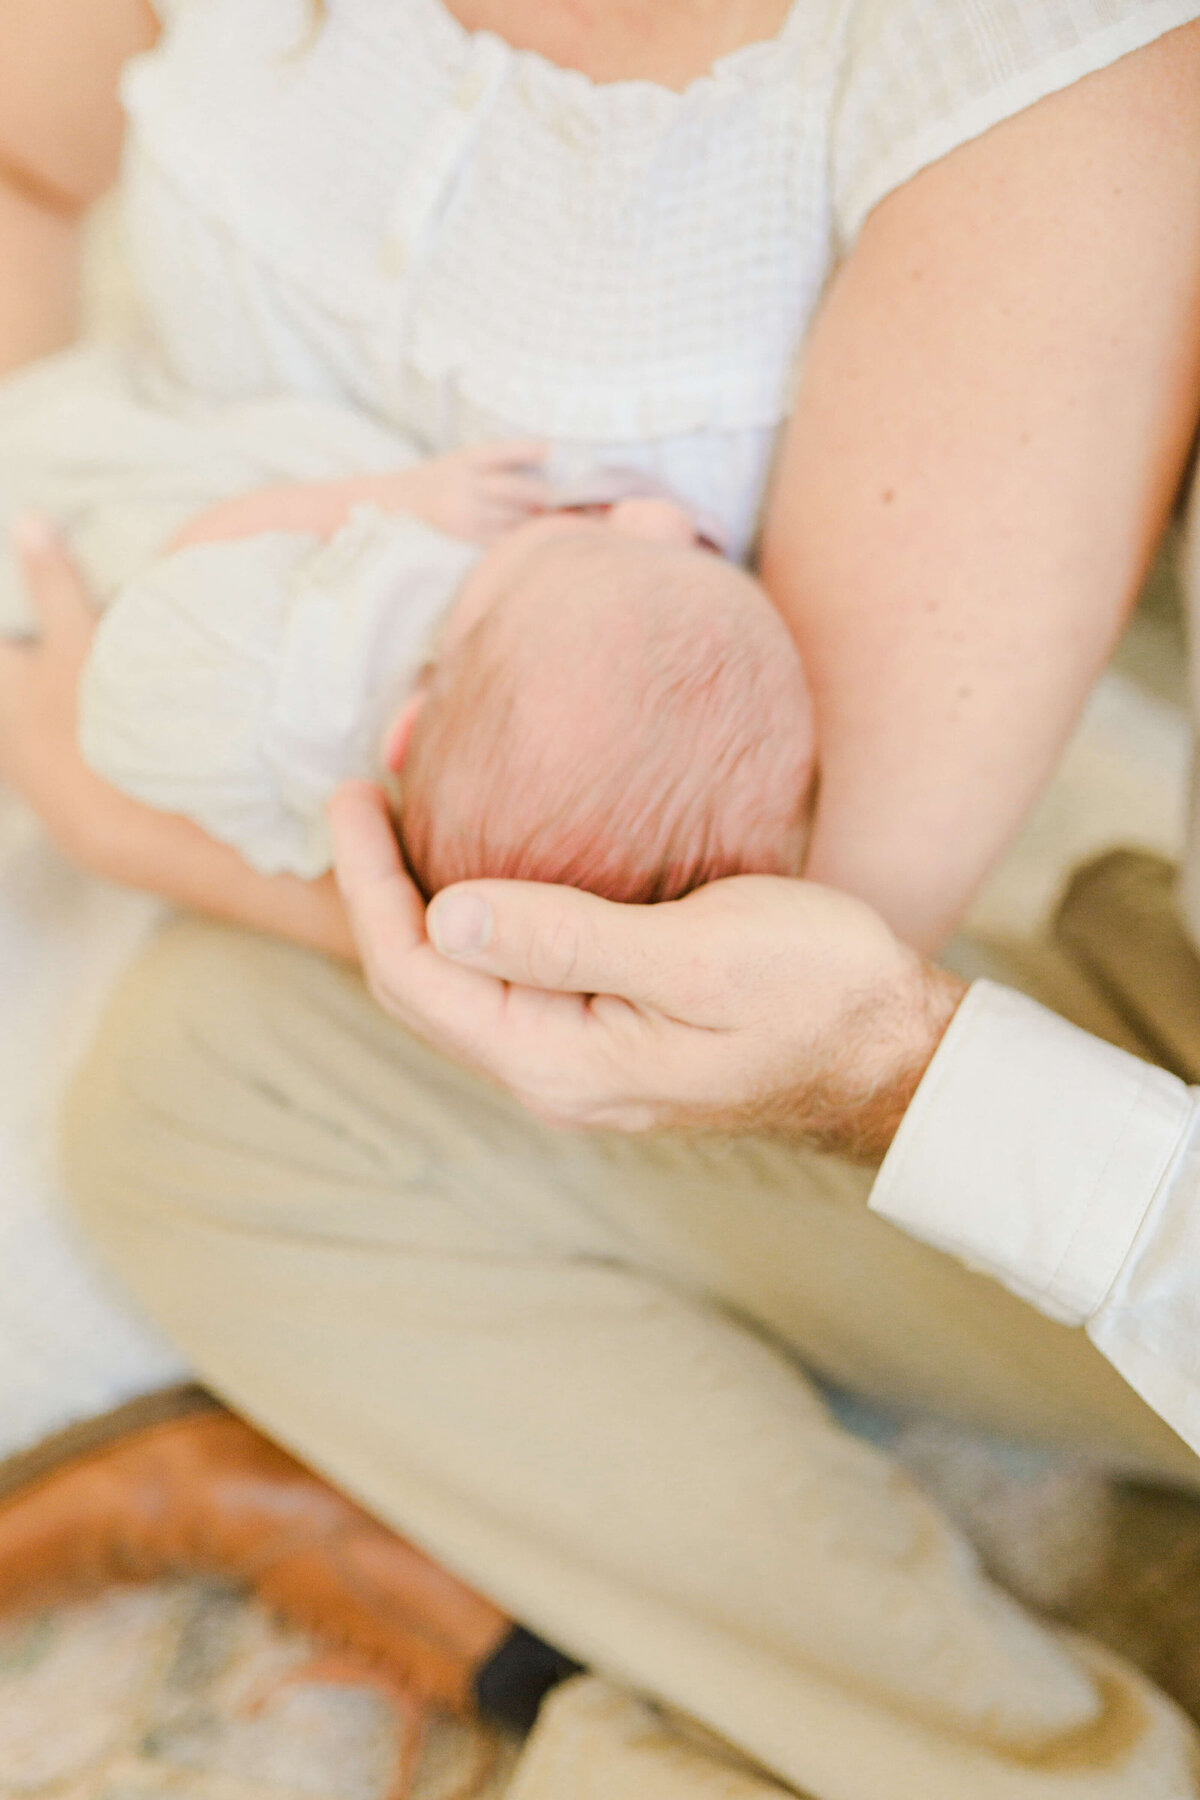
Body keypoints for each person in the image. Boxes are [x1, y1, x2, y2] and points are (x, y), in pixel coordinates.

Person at [5, 2, 1200, 1797]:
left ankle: (619, 1707)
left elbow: (764, 958)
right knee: (193, 1097)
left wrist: (127, 807)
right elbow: (27, 165)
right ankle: (575, 1652)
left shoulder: (1046, 82)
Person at [0, 342, 810, 919]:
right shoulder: (482, 704)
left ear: (408, 723)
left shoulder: (355, 651)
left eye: (585, 534)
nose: (649, 514)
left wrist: (402, 498)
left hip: (104, 555)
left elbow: (188, 565)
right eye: (699, 554)